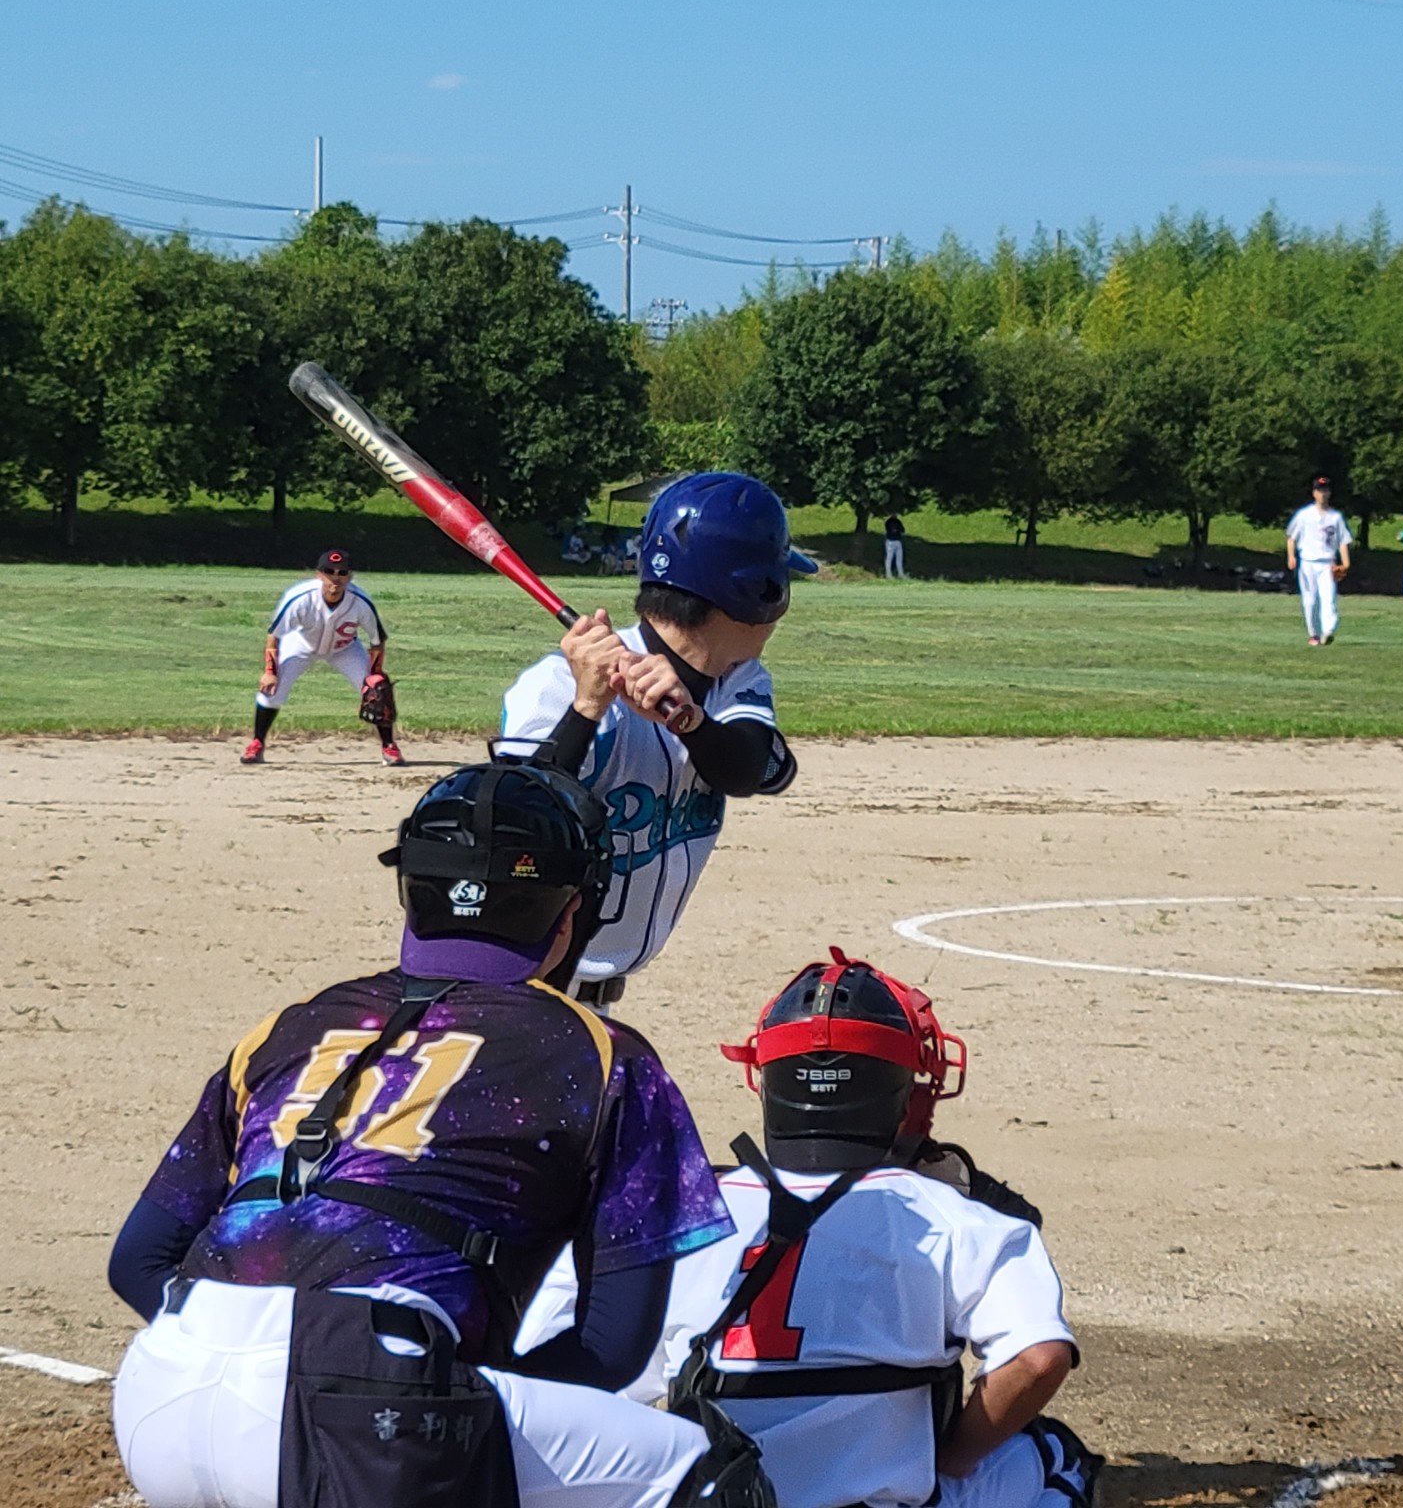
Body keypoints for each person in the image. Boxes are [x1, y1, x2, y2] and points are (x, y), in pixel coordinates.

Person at [105, 759, 773, 1508]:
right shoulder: (605, 1051)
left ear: (411, 889)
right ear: (574, 913)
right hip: (371, 1403)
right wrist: (450, 1394)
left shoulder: (290, 1024)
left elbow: (137, 1260)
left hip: (159, 1390)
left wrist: (246, 1348)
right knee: (707, 1473)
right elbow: (613, 1349)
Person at [521, 950, 1099, 1508]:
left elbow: (543, 1365)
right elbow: (1037, 1359)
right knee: (1052, 1456)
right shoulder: (960, 1219)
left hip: (708, 1495)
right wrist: (953, 1456)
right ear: (904, 1091)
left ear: (765, 1080)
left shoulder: (668, 1208)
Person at [499, 472, 813, 1009]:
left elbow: (749, 771)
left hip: (592, 1003)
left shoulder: (737, 680)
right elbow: (512, 829)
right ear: (757, 595)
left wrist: (688, 721)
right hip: (514, 992)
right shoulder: (556, 685)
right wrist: (587, 708)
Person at [242, 548, 401, 767]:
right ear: (319, 574)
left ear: (350, 576)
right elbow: (274, 636)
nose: (335, 578)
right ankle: (257, 743)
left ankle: (389, 746)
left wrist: (374, 674)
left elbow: (377, 640)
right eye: (329, 571)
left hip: (345, 649)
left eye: (342, 572)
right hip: (301, 644)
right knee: (272, 690)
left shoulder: (360, 602)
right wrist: (270, 671)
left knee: (378, 692)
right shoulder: (300, 598)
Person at [1285, 476, 1352, 645]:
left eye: (1326, 491)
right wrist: (1291, 556)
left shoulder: (1335, 517)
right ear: (1314, 493)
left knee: (1328, 597)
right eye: (1320, 491)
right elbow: (1291, 538)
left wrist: (1346, 563)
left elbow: (1342, 541)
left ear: (1329, 493)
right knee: (1310, 600)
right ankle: (1314, 634)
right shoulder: (1304, 515)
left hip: (1327, 563)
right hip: (1307, 562)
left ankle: (1328, 630)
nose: (1323, 494)